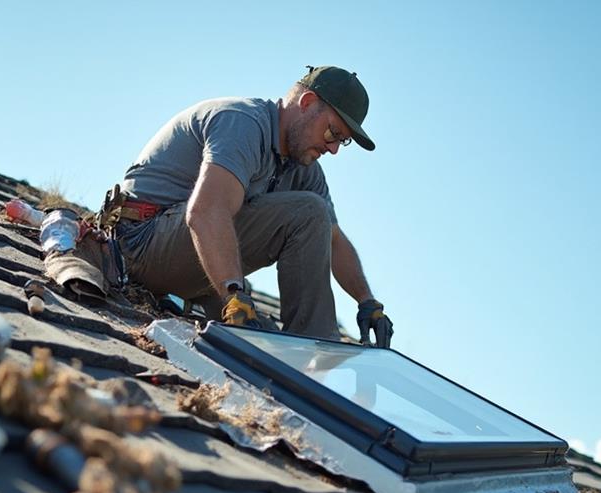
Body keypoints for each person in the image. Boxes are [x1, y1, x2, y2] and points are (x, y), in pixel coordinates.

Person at [113, 66, 393, 348]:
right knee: (309, 211)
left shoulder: (304, 168)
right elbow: (206, 212)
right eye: (333, 133)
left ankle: (305, 351)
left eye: (342, 141)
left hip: (188, 262)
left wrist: (367, 301)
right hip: (141, 246)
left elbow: (333, 238)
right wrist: (234, 294)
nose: (333, 149)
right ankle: (313, 352)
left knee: (313, 214)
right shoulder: (243, 123)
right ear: (306, 103)